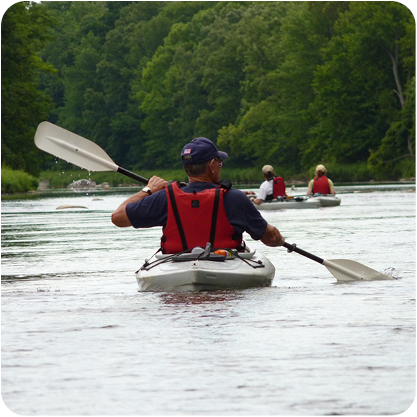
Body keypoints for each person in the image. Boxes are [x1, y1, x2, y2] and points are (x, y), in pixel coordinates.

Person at [111, 137, 285, 253]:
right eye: (219, 162)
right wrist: (280, 240)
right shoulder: (234, 198)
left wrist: (148, 190)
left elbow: (118, 217)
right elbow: (270, 237)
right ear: (211, 165)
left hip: (177, 269)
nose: (220, 165)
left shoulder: (165, 198)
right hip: (225, 266)